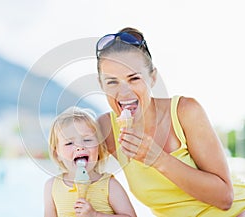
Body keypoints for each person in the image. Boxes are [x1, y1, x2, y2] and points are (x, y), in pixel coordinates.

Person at [96, 27, 245, 216]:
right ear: (101, 85)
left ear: (153, 77)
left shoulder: (185, 112)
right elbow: (72, 174)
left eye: (134, 78)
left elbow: (225, 198)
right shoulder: (106, 129)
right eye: (112, 82)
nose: (124, 92)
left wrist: (157, 158)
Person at [44, 106, 137, 217]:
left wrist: (95, 215)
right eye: (69, 143)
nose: (80, 146)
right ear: (57, 154)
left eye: (87, 140)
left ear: (98, 148)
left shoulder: (109, 185)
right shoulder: (52, 187)